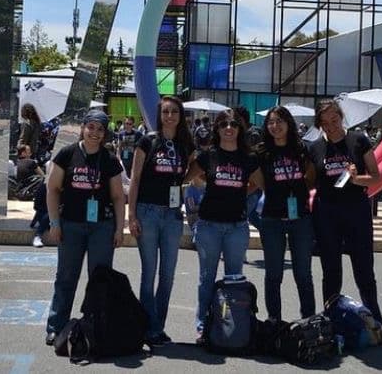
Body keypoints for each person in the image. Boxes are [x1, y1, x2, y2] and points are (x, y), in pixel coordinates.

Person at [308, 99, 382, 346]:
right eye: (325, 122)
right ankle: (331, 323)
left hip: (356, 212)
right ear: (319, 123)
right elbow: (310, 182)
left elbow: (376, 177)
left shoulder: (358, 140)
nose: (330, 126)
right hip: (326, 214)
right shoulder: (314, 148)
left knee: (364, 270)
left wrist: (356, 179)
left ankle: (376, 325)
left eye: (334, 120)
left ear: (341, 117)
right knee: (331, 272)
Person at [44, 109, 125, 346]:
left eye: (100, 129)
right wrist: (54, 223)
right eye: (91, 127)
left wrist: (119, 229)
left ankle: (97, 324)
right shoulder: (67, 154)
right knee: (66, 277)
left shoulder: (109, 160)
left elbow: (119, 197)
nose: (95, 133)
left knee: (99, 280)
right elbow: (52, 189)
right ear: (83, 127)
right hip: (71, 225)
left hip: (101, 226)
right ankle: (56, 326)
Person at [185, 109, 264, 345]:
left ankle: (230, 326)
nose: (228, 128)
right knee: (206, 278)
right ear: (216, 129)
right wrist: (207, 185)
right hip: (209, 224)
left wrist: (242, 191)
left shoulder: (248, 158)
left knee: (233, 278)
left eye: (233, 124)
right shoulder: (209, 155)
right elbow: (189, 177)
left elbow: (260, 184)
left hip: (236, 226)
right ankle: (203, 326)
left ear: (240, 130)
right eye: (223, 124)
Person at [128, 96, 194, 346]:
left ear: (180, 115)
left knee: (168, 275)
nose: (169, 116)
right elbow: (134, 180)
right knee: (149, 273)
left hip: (173, 216)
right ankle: (150, 327)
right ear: (159, 115)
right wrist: (131, 215)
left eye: (174, 111)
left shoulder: (185, 144)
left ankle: (158, 327)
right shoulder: (147, 141)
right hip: (147, 213)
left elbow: (191, 173)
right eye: (165, 112)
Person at [256, 105, 316, 322]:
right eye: (271, 122)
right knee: (273, 275)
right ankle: (274, 320)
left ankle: (308, 320)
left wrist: (296, 189)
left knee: (303, 274)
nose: (275, 126)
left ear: (288, 124)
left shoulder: (302, 149)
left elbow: (311, 178)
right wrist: (272, 190)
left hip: (300, 218)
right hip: (272, 219)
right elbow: (257, 180)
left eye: (279, 121)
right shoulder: (262, 152)